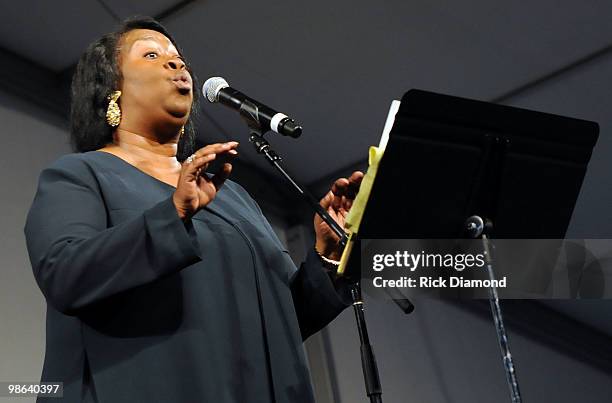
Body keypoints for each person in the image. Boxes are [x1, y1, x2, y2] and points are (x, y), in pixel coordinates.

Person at [23, 16, 363, 403]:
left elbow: (282, 320)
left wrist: (326, 255)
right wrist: (173, 214)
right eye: (151, 55)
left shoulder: (231, 195)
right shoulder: (82, 174)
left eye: (178, 57)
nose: (177, 64)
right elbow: (64, 274)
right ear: (111, 91)